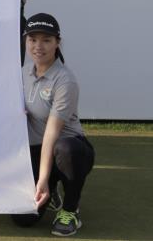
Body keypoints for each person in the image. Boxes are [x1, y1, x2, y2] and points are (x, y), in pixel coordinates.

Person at [13, 13, 94, 237]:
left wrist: (42, 179)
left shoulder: (65, 80)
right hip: (35, 151)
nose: (38, 46)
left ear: (57, 42)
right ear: (26, 41)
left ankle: (70, 210)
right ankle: (52, 189)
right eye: (33, 40)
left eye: (46, 40)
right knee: (23, 219)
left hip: (67, 151)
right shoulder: (22, 73)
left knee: (66, 149)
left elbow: (51, 133)